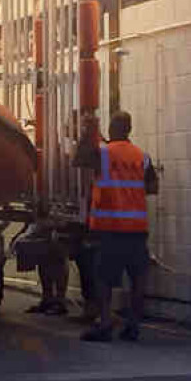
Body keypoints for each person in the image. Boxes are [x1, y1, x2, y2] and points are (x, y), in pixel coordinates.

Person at [75, 111, 158, 342]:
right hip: (137, 229)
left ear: (112, 129)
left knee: (104, 278)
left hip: (110, 228)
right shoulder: (143, 156)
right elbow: (152, 187)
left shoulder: (103, 153)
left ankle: (105, 323)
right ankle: (133, 326)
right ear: (129, 129)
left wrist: (88, 133)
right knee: (137, 278)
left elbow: (78, 160)